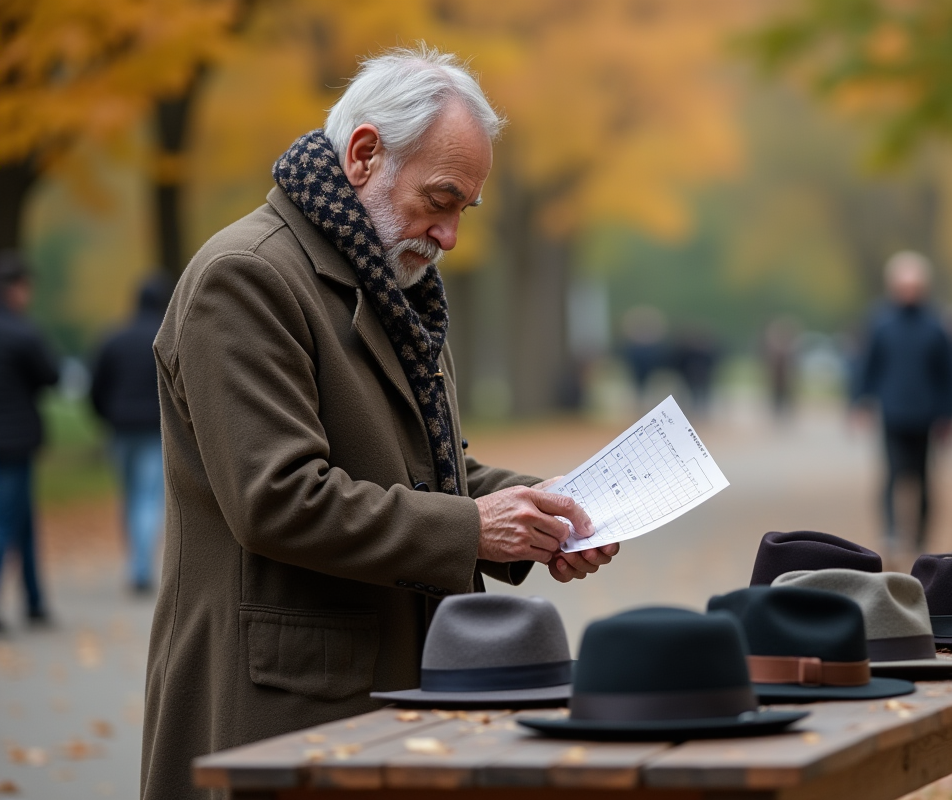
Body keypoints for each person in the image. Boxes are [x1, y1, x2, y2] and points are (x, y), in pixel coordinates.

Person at [141, 47, 619, 800]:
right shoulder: (248, 275)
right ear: (364, 154)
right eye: (440, 198)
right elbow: (278, 498)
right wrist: (472, 528)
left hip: (382, 687)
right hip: (281, 702)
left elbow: (415, 467)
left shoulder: (389, 280)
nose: (451, 235)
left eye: (464, 208)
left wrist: (541, 505)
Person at [852, 251, 952, 558]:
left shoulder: (935, 326)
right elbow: (868, 366)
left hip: (926, 415)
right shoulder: (880, 323)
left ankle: (921, 537)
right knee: (892, 475)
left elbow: (946, 374)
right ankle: (891, 532)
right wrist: (859, 401)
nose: (909, 290)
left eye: (915, 284)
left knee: (924, 478)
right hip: (893, 412)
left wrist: (948, 415)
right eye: (904, 284)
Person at [90, 276, 171, 595]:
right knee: (149, 497)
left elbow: (96, 388)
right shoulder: (167, 335)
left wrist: (106, 416)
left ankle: (136, 565)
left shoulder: (113, 338)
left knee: (129, 495)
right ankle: (141, 567)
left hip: (121, 428)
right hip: (155, 429)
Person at [0, 250, 59, 632]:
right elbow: (51, 374)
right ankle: (31, 601)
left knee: (22, 521)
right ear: (14, 289)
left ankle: (35, 600)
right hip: (15, 440)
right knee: (8, 522)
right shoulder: (22, 332)